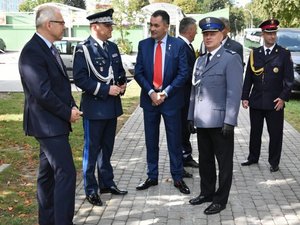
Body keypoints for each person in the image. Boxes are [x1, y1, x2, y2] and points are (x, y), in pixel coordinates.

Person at [18, 4, 82, 225]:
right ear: (48, 24)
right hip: (46, 124)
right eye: (62, 23)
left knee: (47, 176)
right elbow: (42, 93)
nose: (65, 27)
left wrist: (72, 106)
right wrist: (67, 113)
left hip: (54, 122)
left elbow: (61, 85)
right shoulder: (32, 51)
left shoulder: (49, 48)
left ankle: (48, 220)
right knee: (66, 173)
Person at [188, 17, 243, 214]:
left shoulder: (231, 58)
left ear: (222, 35)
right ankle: (207, 192)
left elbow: (234, 92)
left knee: (224, 163)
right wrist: (190, 116)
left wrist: (230, 120)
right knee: (205, 160)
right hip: (202, 120)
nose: (208, 37)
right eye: (205, 34)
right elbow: (194, 91)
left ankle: (221, 199)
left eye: (212, 33)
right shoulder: (200, 60)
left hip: (221, 122)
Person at [73, 8, 128, 206]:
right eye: (107, 25)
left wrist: (122, 85)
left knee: (107, 149)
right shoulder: (84, 49)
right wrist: (105, 90)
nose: (110, 28)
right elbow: (79, 78)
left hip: (111, 106)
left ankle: (107, 183)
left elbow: (119, 72)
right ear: (95, 27)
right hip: (95, 107)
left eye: (111, 25)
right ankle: (90, 188)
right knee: (92, 149)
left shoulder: (112, 47)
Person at [135, 10, 190, 194]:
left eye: (156, 25)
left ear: (166, 26)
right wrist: (151, 92)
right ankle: (152, 176)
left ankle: (177, 177)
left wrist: (165, 93)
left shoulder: (178, 46)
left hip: (171, 101)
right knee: (151, 141)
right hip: (150, 100)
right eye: (151, 25)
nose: (152, 28)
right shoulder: (143, 45)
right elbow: (138, 73)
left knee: (174, 141)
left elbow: (183, 73)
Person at [240, 19, 294, 172]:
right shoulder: (254, 53)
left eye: (274, 33)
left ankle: (274, 162)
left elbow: (289, 80)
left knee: (275, 134)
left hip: (275, 101)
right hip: (256, 100)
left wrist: (283, 98)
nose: (272, 37)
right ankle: (253, 157)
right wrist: (245, 97)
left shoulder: (283, 54)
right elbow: (248, 77)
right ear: (262, 34)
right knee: (255, 131)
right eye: (269, 34)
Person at [177, 17, 199, 176]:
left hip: (187, 96)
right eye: (195, 30)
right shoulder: (180, 46)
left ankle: (186, 156)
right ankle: (179, 163)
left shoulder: (187, 46)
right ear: (189, 30)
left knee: (186, 128)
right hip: (181, 97)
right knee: (179, 130)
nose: (197, 33)